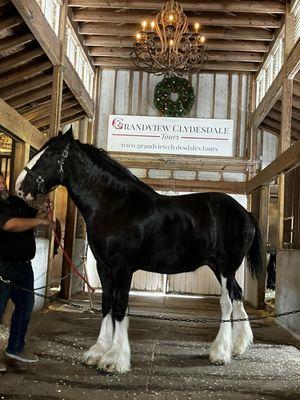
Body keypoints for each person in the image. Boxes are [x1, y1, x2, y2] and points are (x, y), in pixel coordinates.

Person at [0, 171, 50, 372]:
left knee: (25, 306)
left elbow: (35, 216)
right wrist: (40, 222)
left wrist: (43, 213)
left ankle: (15, 348)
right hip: (2, 267)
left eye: (3, 179)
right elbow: (10, 225)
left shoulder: (14, 201)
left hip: (23, 267)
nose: (2, 184)